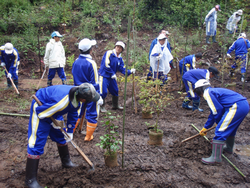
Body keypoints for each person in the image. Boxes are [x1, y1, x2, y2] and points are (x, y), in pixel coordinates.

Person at [25, 83, 100, 188]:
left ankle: (66, 162)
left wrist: (69, 131)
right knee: (36, 141)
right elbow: (41, 113)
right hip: (42, 106)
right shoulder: (62, 102)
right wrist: (52, 122)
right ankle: (30, 180)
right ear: (83, 99)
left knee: (61, 136)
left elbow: (74, 113)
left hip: (53, 109)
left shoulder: (77, 98)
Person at [194, 79, 249, 165]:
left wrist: (218, 123)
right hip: (243, 105)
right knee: (230, 128)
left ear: (199, 89)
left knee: (221, 130)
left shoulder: (207, 93)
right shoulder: (213, 91)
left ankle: (215, 158)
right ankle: (228, 148)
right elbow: (213, 112)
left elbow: (217, 110)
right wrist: (206, 127)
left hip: (236, 106)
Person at [72, 38, 103, 141]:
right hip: (89, 93)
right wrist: (98, 96)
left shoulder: (75, 62)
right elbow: (95, 82)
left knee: (77, 111)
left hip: (78, 91)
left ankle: (70, 132)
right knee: (92, 113)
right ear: (90, 50)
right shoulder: (91, 63)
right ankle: (88, 136)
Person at [99, 41, 136, 112]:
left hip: (112, 77)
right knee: (103, 91)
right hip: (104, 75)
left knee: (115, 90)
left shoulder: (119, 58)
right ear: (115, 46)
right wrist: (112, 73)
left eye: (120, 47)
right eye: (117, 46)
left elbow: (122, 68)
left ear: (122, 50)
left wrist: (130, 71)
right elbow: (106, 65)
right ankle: (102, 106)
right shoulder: (109, 53)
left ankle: (115, 105)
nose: (118, 48)